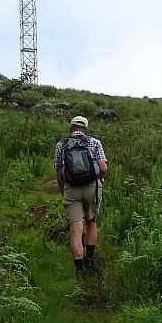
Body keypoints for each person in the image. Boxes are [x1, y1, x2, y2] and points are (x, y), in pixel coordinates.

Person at [54, 115, 108, 275]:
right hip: (92, 186)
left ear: (71, 128)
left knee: (75, 229)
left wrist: (64, 191)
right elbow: (103, 168)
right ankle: (90, 260)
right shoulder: (94, 142)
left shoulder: (61, 144)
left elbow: (59, 174)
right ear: (86, 129)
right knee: (91, 222)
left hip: (71, 188)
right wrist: (100, 179)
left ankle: (80, 270)